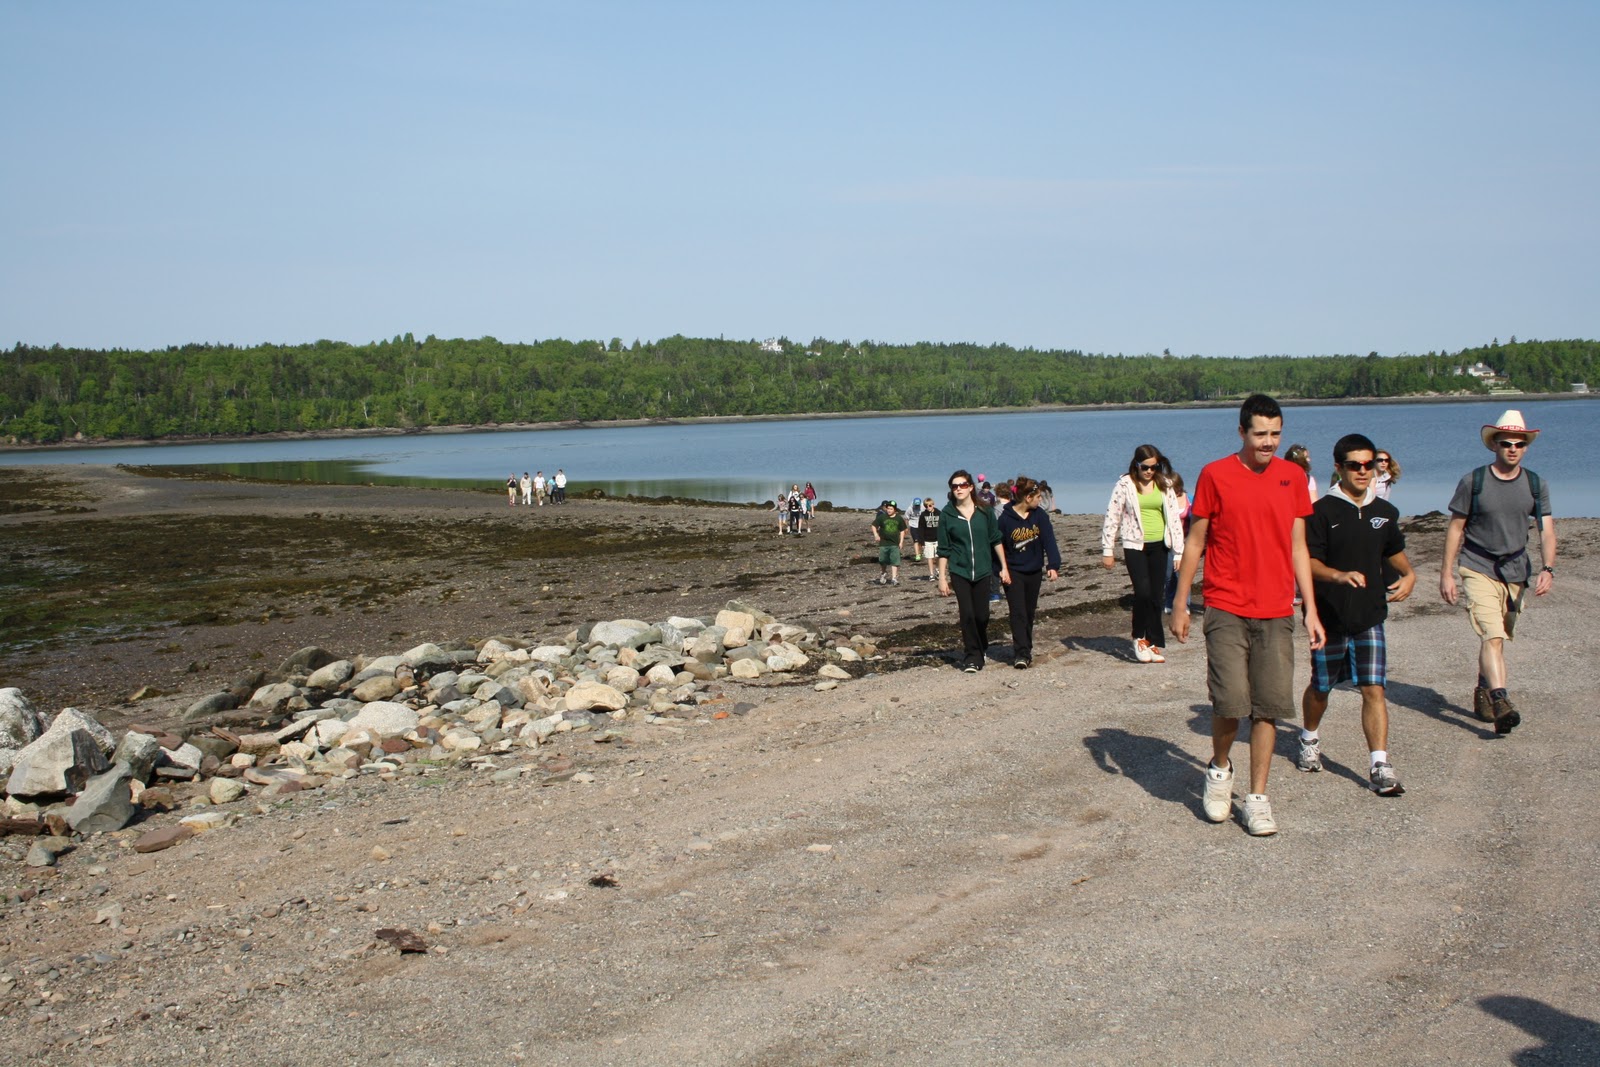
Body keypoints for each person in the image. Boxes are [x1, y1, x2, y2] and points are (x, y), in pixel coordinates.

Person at [1172, 394, 1325, 837]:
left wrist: (1311, 608)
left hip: (1277, 609)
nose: (1269, 442)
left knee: (1268, 707)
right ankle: (1220, 769)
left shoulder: (1292, 477)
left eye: (1276, 434)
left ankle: (1258, 798)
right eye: (1260, 434)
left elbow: (1300, 547)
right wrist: (1181, 603)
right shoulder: (1215, 475)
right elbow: (1195, 542)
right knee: (1229, 702)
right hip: (1225, 606)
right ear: (1241, 432)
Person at [1298, 433, 1416, 796]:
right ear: (1338, 468)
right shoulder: (1320, 513)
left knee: (1373, 688)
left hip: (1369, 616)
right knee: (1321, 688)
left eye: (1370, 465)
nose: (1364, 472)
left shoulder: (1385, 512)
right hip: (1329, 616)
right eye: (1355, 465)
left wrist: (1409, 574)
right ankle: (1309, 738)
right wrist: (1337, 576)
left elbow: (1392, 551)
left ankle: (1379, 763)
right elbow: (1307, 561)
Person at [1440, 409, 1556, 734]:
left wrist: (1548, 568)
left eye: (1519, 444)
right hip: (1477, 566)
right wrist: (1446, 572)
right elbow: (1455, 529)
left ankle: (1483, 689)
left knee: (1498, 639)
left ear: (1526, 446)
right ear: (1494, 445)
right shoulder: (1473, 482)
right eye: (1506, 443)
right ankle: (1501, 700)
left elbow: (1546, 530)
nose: (1512, 449)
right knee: (1491, 635)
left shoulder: (1536, 485)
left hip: (1516, 571)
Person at [1101, 445, 1185, 664]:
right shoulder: (1124, 485)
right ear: (1136, 465)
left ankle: (1153, 640)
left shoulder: (1165, 485)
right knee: (1143, 593)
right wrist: (1107, 550)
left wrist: (1178, 552)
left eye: (1154, 467)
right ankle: (1139, 637)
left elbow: (1174, 519)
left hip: (1161, 546)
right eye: (1145, 467)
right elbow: (1113, 516)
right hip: (1134, 546)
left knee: (1157, 595)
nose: (1149, 471)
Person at [936, 470, 1009, 673]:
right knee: (967, 614)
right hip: (960, 571)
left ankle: (981, 645)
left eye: (962, 485)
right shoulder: (947, 515)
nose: (958, 488)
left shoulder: (985, 512)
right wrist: (942, 578)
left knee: (982, 615)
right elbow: (943, 549)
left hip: (984, 570)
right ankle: (972, 657)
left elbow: (995, 539)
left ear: (970, 487)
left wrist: (1004, 567)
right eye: (954, 486)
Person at [997, 476, 1061, 669]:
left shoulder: (1039, 516)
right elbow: (997, 545)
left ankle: (1027, 648)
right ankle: (1021, 653)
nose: (1040, 500)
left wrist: (1053, 565)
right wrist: (1000, 569)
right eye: (1038, 497)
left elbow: (1049, 541)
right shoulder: (1005, 519)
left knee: (1029, 611)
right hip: (1013, 572)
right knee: (1018, 612)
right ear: (1027, 497)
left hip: (1034, 571)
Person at [1162, 468, 1191, 613]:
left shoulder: (1190, 499)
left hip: (1186, 542)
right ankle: (1169, 601)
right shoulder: (1164, 501)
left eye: (1173, 488)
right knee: (1168, 576)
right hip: (1168, 543)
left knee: (1182, 573)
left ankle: (1185, 603)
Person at [872, 501, 908, 586]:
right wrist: (876, 534)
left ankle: (894, 578)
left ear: (895, 510)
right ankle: (883, 573)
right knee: (882, 560)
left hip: (894, 543)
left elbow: (903, 530)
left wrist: (901, 541)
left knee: (895, 561)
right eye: (888, 508)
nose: (889, 510)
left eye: (891, 509)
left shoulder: (899, 518)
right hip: (884, 543)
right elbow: (874, 525)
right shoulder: (882, 517)